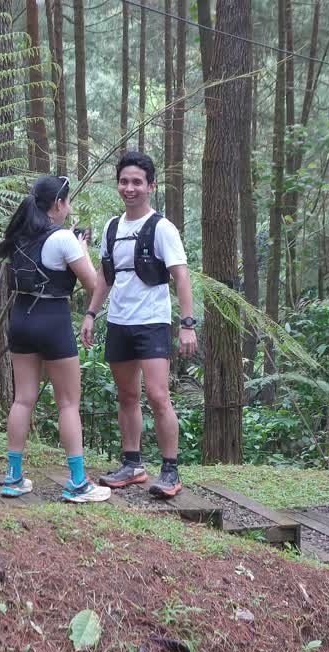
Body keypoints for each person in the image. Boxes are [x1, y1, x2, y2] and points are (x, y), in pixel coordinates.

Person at [0, 175, 111, 503]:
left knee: (22, 399)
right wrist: (82, 249)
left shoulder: (18, 236)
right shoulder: (63, 240)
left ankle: (13, 477)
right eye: (67, 202)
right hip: (53, 320)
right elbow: (92, 284)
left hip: (21, 318)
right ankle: (78, 482)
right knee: (68, 402)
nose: (69, 207)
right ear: (57, 204)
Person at [82, 152, 198, 498]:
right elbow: (106, 275)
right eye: (124, 181)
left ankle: (170, 471)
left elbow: (181, 275)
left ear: (151, 185)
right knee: (127, 395)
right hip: (119, 321)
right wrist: (91, 313)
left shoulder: (162, 228)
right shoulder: (112, 227)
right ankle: (132, 464)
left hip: (152, 323)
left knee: (159, 396)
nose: (129, 188)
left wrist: (187, 324)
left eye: (137, 182)